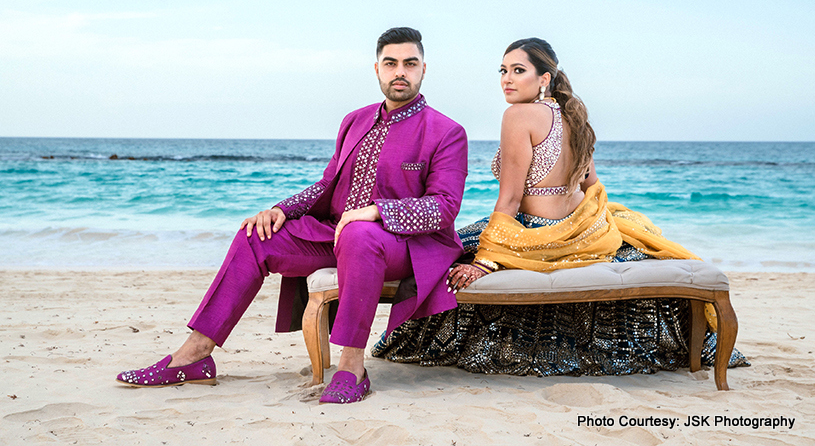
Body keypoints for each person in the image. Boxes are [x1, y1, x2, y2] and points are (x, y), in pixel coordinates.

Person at [116, 27, 469, 404]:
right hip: (337, 234)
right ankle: (194, 355)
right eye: (391, 63)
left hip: (402, 246)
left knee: (359, 234)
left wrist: (374, 212)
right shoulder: (355, 120)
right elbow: (327, 184)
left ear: (423, 69)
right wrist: (280, 210)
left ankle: (352, 367)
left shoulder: (447, 132)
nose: (401, 71)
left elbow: (444, 206)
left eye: (410, 63)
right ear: (377, 70)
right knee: (256, 235)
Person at [372, 38, 748, 376]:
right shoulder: (573, 114)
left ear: (544, 79)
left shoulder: (517, 116)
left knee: (446, 250)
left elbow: (511, 199)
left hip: (538, 230)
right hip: (585, 228)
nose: (507, 79)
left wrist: (485, 260)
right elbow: (592, 185)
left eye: (519, 71)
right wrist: (593, 223)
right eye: (503, 70)